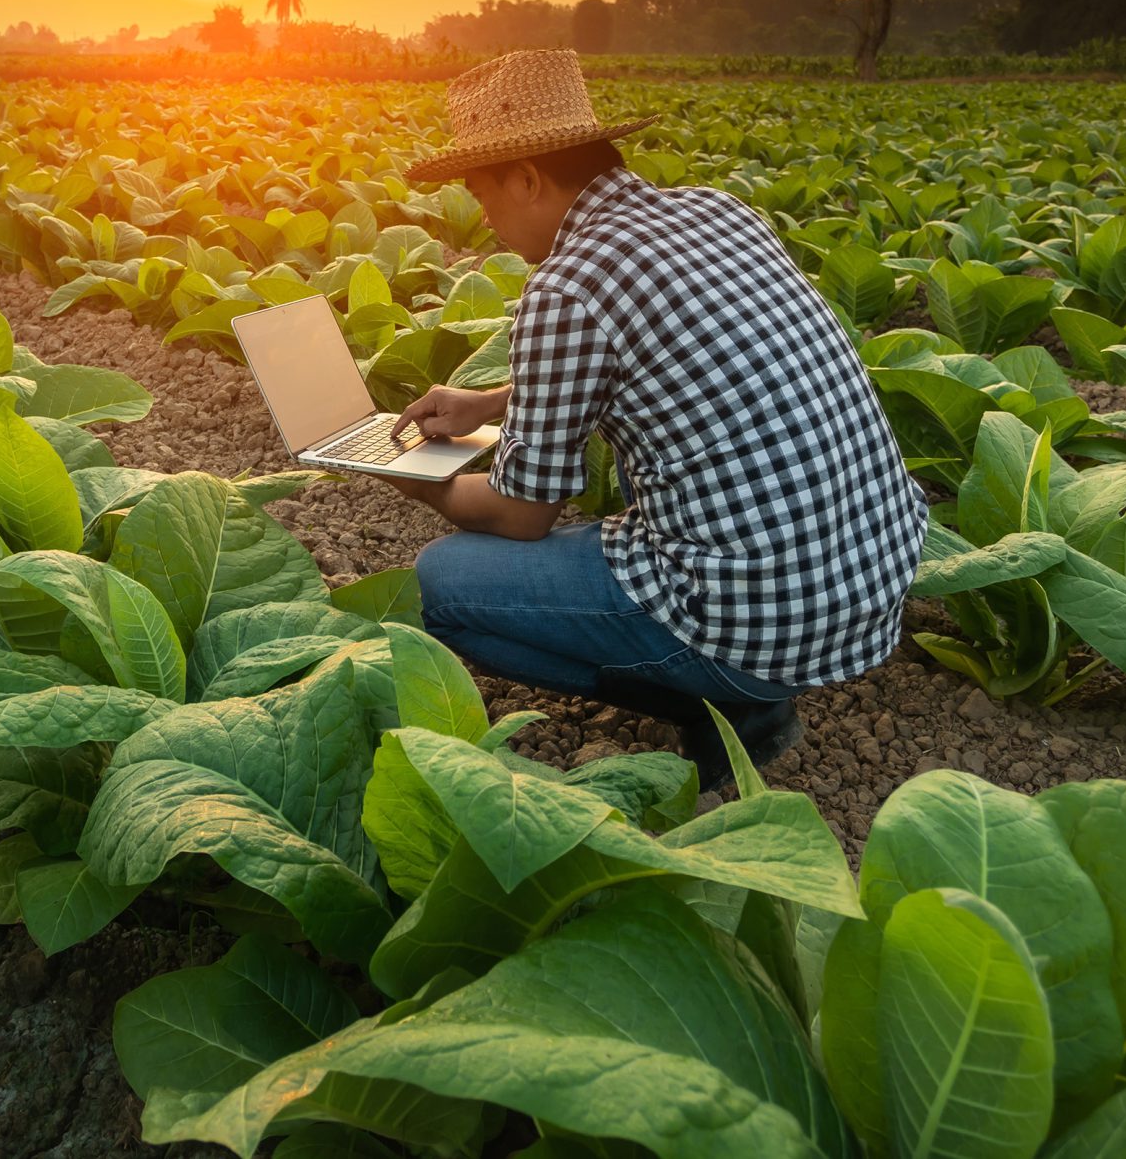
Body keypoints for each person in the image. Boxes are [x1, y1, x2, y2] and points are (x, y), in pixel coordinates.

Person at [374, 48, 928, 788]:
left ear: (529, 178)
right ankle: (738, 687)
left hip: (758, 625)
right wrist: (489, 402)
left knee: (444, 580)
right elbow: (669, 350)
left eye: (484, 197)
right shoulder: (716, 210)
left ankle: (723, 701)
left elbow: (522, 513)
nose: (486, 221)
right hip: (868, 590)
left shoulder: (566, 285)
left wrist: (414, 479)